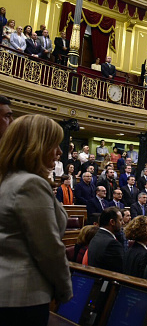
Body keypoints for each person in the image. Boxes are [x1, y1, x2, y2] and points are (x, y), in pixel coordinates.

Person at [0, 115, 73, 325]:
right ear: (36, 146)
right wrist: (65, 289)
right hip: (22, 298)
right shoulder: (30, 184)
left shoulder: (9, 179)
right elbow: (48, 248)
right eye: (54, 145)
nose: (59, 152)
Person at [88, 207, 124, 272]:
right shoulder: (112, 244)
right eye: (120, 220)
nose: (123, 223)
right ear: (112, 222)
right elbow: (119, 270)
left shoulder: (96, 236)